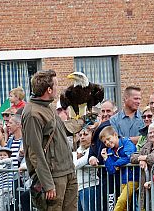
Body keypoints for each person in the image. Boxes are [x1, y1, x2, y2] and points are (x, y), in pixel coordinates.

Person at [21, 70, 77, 210]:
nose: (58, 88)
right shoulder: (32, 113)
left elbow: (62, 129)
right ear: (49, 89)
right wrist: (47, 184)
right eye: (56, 85)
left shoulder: (49, 107)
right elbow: (35, 152)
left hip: (67, 171)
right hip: (53, 176)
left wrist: (84, 120)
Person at [100, 126, 138, 211]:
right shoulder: (110, 151)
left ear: (115, 135)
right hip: (123, 180)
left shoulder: (126, 142)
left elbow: (129, 157)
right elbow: (111, 170)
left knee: (121, 201)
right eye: (105, 142)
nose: (107, 143)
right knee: (125, 206)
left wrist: (115, 164)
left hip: (134, 178)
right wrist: (106, 158)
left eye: (108, 139)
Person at [131, 122, 154, 209]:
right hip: (146, 183)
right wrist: (141, 159)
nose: (152, 134)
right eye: (150, 132)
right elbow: (132, 157)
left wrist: (146, 158)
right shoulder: (146, 146)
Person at [73, 127, 99, 211]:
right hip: (79, 187)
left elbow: (75, 164)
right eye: (80, 135)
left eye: (86, 134)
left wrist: (75, 157)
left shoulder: (93, 149)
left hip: (90, 186)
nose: (82, 137)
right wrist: (75, 156)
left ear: (93, 136)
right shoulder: (79, 149)